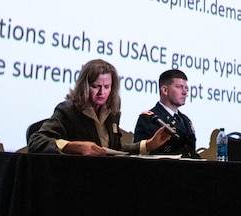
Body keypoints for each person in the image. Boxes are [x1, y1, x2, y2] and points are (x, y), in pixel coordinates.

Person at [27, 58, 170, 155]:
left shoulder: (112, 110)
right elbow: (36, 141)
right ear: (84, 86)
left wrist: (149, 145)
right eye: (96, 86)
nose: (102, 92)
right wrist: (74, 146)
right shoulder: (68, 110)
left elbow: (112, 150)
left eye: (107, 86)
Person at [133, 69, 199, 158]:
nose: (185, 92)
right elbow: (140, 154)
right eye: (180, 87)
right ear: (165, 90)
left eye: (186, 88)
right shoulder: (148, 118)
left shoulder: (185, 120)